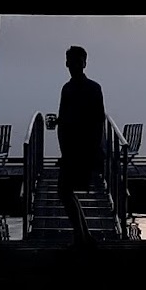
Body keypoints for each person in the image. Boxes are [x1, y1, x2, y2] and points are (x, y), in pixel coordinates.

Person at [56, 45, 105, 247]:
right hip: (71, 149)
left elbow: (98, 121)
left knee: (64, 190)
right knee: (65, 191)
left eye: (77, 61)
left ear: (83, 63)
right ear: (68, 63)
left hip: (82, 149)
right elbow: (64, 119)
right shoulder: (73, 89)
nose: (74, 65)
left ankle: (82, 236)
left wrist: (95, 150)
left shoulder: (90, 89)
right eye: (72, 61)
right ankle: (83, 236)